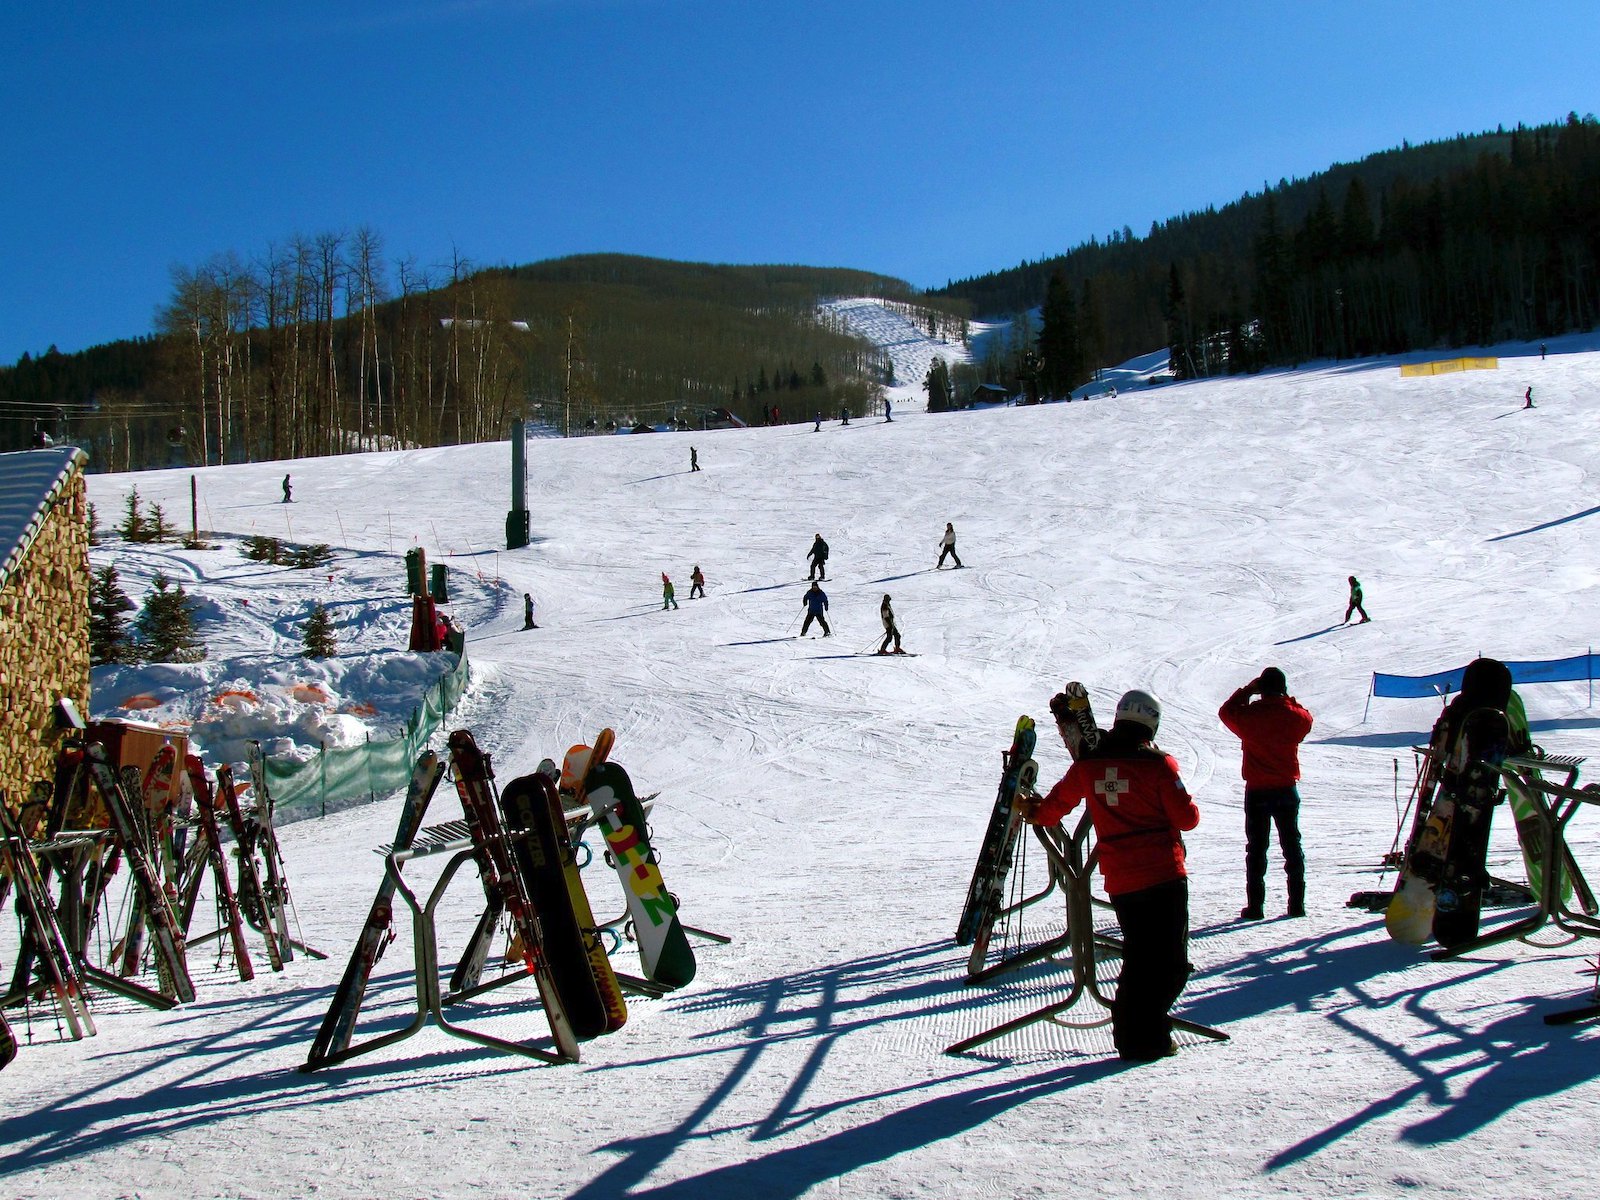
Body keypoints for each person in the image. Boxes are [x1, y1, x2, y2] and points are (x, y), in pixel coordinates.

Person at [1022, 689, 1199, 1063]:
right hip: (1163, 873)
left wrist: (1031, 808)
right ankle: (1145, 1037)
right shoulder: (1158, 764)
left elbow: (1053, 810)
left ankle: (1135, 1036)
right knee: (1169, 964)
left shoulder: (1090, 765)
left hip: (1122, 879)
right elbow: (1187, 818)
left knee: (1139, 958)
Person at [1219, 668, 1315, 919]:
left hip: (1258, 790)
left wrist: (1247, 691)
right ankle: (1296, 905)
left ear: (1262, 688)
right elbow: (1307, 718)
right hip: (1286, 788)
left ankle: (1255, 907)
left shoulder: (1251, 715)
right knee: (1292, 847)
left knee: (1257, 849)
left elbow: (1226, 712)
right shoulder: (1293, 716)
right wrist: (1287, 699)